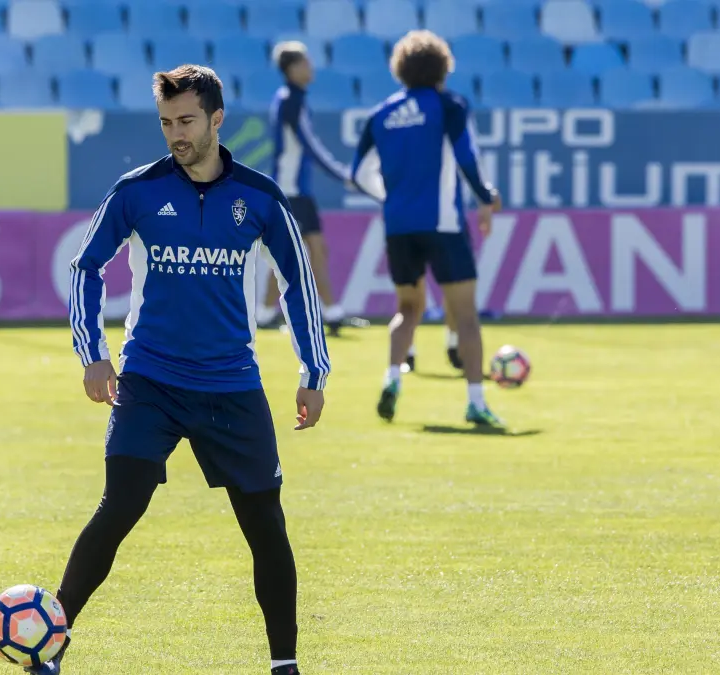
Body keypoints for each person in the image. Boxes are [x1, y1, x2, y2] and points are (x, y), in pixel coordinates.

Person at [46, 65, 331, 675]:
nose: (176, 134)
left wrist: (314, 370)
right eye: (166, 122)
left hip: (232, 386)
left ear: (216, 119)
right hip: (149, 382)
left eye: (187, 121)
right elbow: (85, 267)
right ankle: (48, 642)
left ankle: (285, 664)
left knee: (266, 526)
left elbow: (298, 282)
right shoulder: (137, 191)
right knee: (119, 507)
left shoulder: (259, 196)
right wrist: (92, 352)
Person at [349, 30, 503, 427]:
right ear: (442, 68)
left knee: (407, 309)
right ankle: (476, 402)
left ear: (400, 69)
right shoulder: (449, 105)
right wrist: (486, 196)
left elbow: (359, 173)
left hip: (398, 225)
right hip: (443, 224)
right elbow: (467, 156)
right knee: (465, 316)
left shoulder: (382, 113)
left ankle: (392, 378)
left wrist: (391, 197)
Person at [257, 40, 368, 337]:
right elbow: (310, 145)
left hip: (297, 191)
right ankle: (328, 314)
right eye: (305, 62)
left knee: (303, 252)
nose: (311, 67)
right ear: (292, 68)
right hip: (291, 191)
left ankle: (275, 313)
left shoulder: (291, 99)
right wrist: (342, 174)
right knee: (305, 252)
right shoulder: (291, 101)